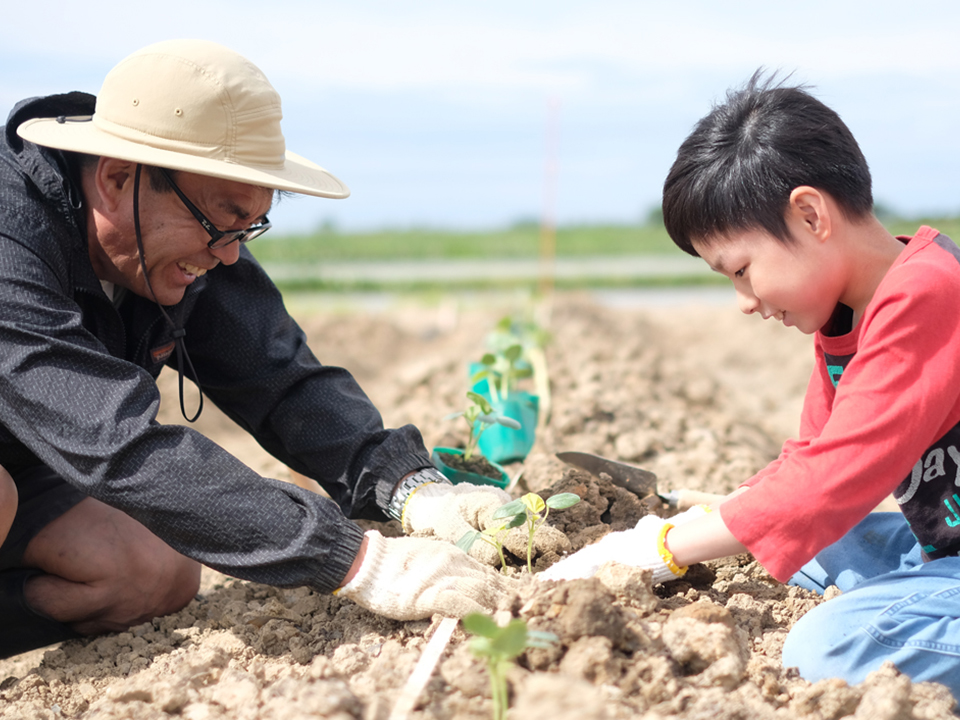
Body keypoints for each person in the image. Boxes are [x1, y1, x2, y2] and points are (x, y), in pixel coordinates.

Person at [0, 39, 522, 659]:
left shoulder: (178, 235)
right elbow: (116, 442)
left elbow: (278, 375)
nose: (227, 254)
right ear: (117, 178)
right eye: (223, 222)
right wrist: (356, 561)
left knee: (151, 570)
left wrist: (406, 485)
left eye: (249, 228)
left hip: (25, 458)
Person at [542, 72, 960, 698]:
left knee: (824, 651)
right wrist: (718, 519)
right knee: (811, 543)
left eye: (741, 270)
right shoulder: (847, 314)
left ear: (811, 214)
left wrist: (663, 546)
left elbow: (827, 484)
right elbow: (810, 462)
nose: (744, 300)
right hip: (942, 550)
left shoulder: (928, 291)